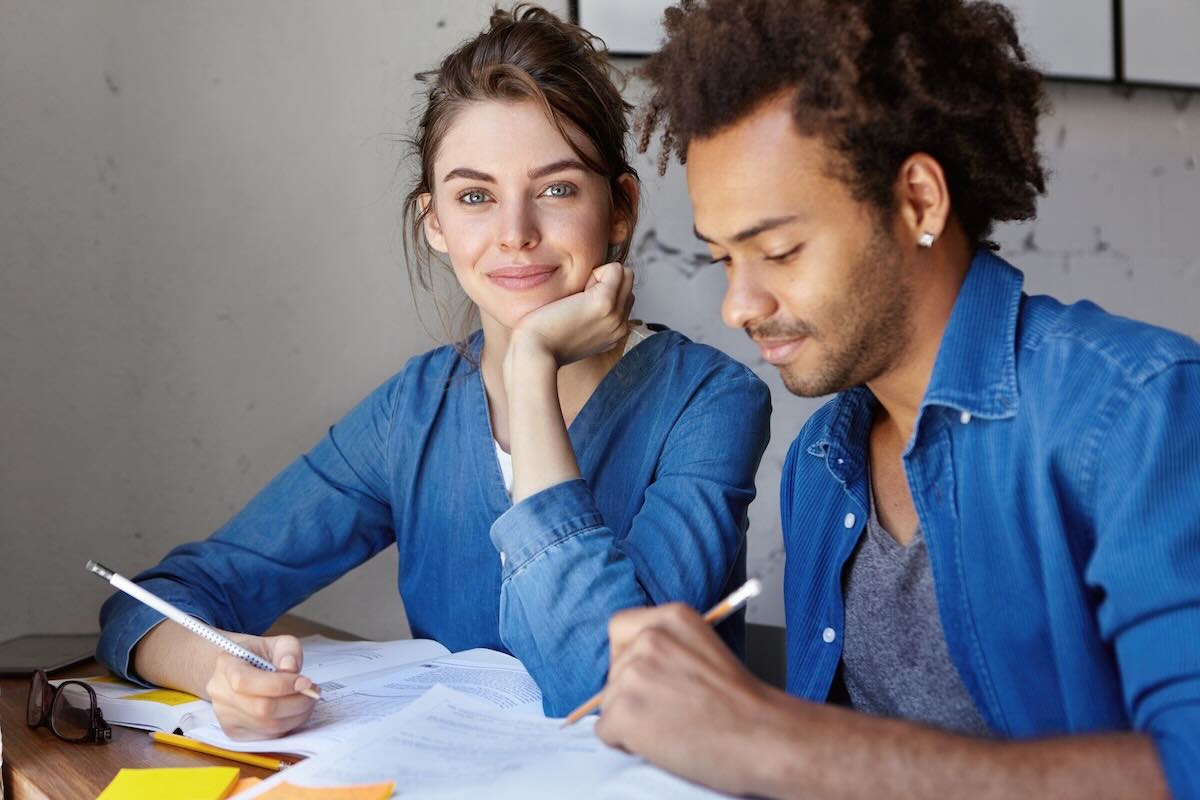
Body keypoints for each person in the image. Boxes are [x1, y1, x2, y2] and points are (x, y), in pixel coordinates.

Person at [96, 4, 770, 739]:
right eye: (475, 196)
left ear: (619, 208)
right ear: (436, 223)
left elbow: (603, 684)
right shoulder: (411, 415)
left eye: (557, 189)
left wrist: (533, 367)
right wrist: (222, 671)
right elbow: (150, 604)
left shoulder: (709, 402)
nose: (514, 233)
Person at [594, 1, 1200, 798]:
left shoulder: (1142, 414)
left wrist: (774, 738)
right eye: (722, 258)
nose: (738, 306)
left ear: (918, 201)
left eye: (779, 250)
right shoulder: (820, 465)